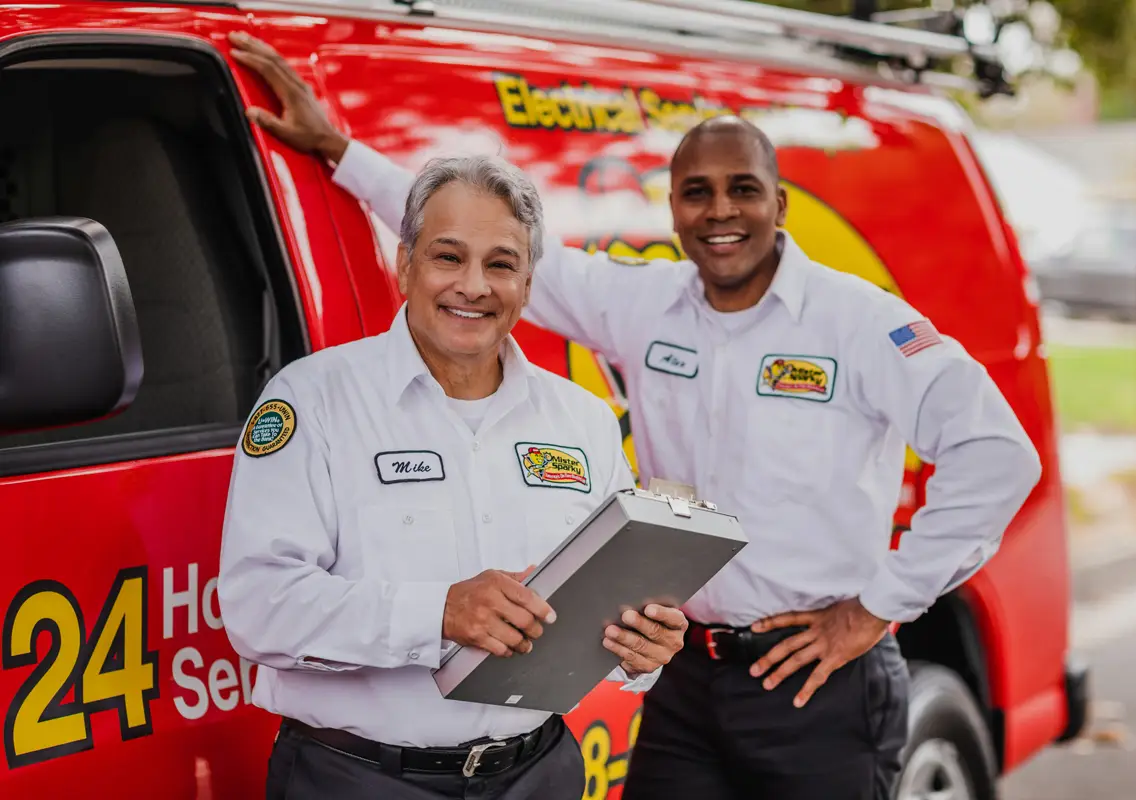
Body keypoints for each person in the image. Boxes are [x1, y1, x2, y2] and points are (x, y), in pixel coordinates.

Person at [227, 31, 1043, 800]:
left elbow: (998, 456)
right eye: (697, 192)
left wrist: (877, 609)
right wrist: (340, 152)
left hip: (813, 675)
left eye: (742, 190)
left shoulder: (861, 323)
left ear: (781, 203)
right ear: (674, 208)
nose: (719, 211)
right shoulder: (643, 305)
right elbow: (477, 240)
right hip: (688, 674)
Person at [217, 147, 688, 800]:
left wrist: (640, 649)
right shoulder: (311, 401)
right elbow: (257, 610)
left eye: (502, 264)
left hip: (539, 773)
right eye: (448, 257)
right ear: (405, 265)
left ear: (527, 284)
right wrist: (437, 612)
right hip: (360, 780)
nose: (474, 285)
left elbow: (605, 606)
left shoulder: (581, 420)